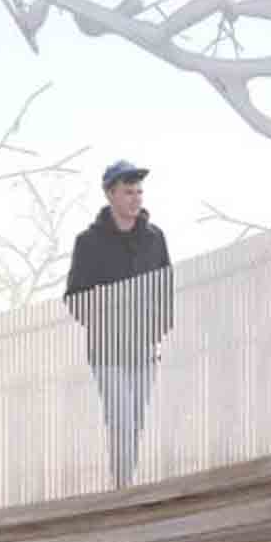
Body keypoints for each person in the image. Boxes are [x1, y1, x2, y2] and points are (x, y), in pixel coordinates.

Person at [64, 160, 175, 487]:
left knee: (138, 422)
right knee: (121, 421)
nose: (136, 198)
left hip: (144, 346)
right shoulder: (89, 241)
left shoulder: (155, 237)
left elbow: (165, 285)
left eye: (139, 192)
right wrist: (102, 321)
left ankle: (129, 484)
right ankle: (122, 489)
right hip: (107, 349)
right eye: (128, 192)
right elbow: (74, 296)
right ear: (110, 194)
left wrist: (158, 326)